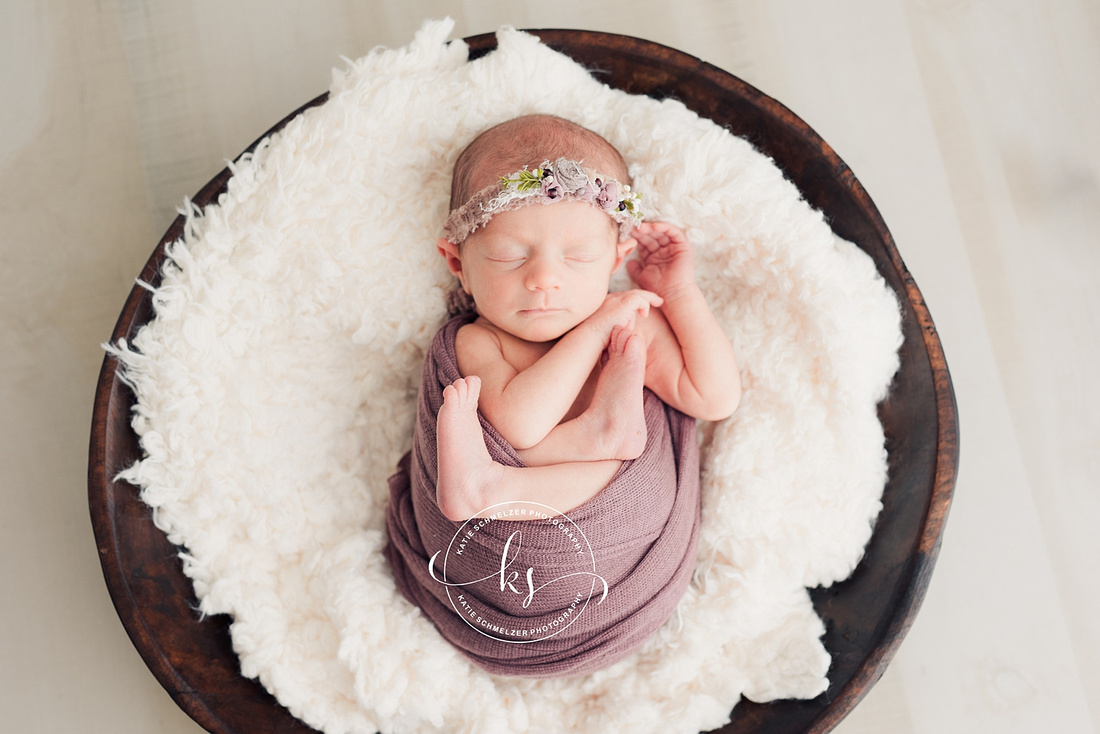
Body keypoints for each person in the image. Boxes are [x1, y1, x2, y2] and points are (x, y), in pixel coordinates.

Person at [433, 114, 741, 522]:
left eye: (578, 257)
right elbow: (519, 428)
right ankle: (494, 485)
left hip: (620, 529)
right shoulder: (480, 340)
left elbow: (715, 397)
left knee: (617, 457)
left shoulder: (629, 320)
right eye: (509, 256)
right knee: (522, 449)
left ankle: (491, 486)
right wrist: (593, 333)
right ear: (458, 264)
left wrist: (679, 293)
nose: (544, 279)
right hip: (508, 544)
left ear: (616, 261)